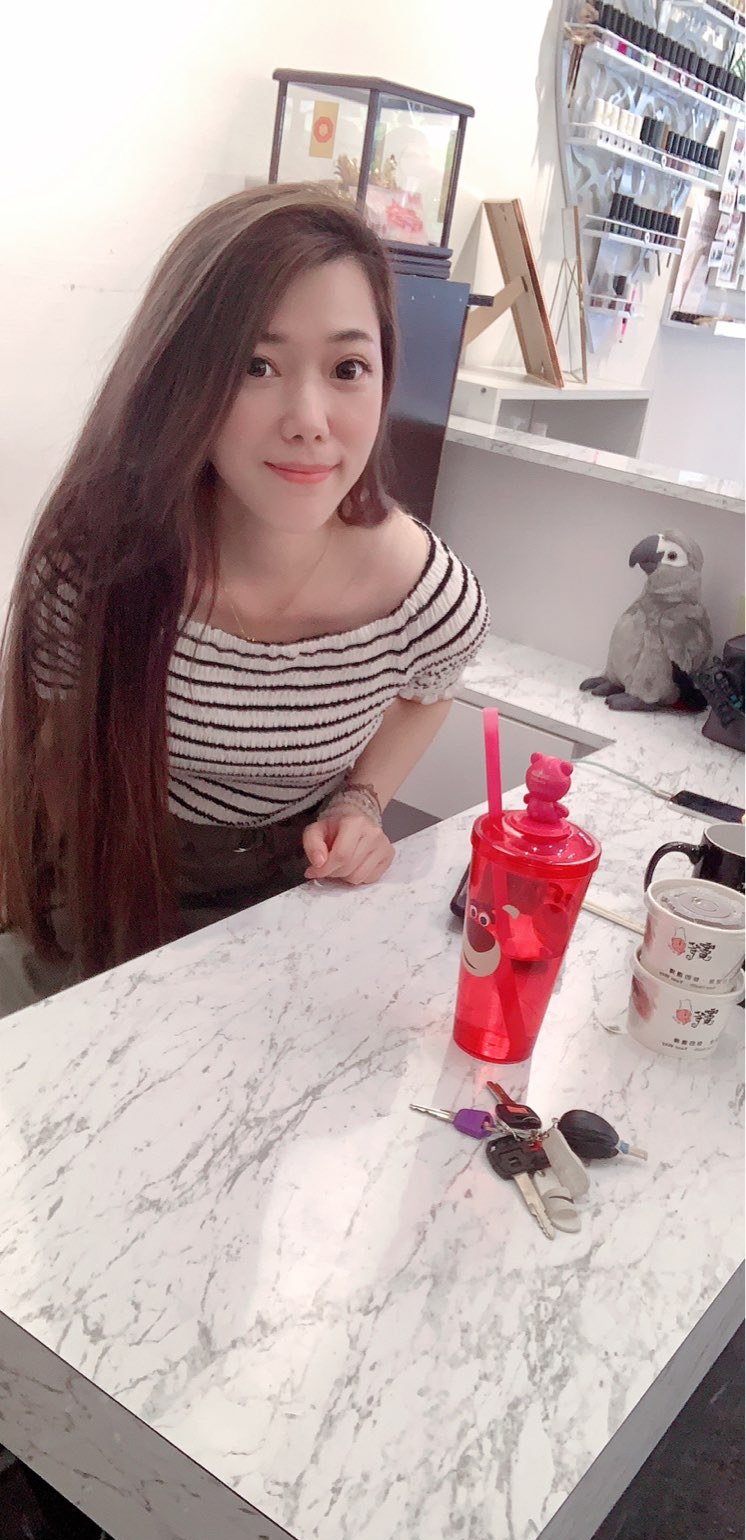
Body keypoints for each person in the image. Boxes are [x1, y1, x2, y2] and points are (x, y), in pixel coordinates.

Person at [0, 183, 489, 1014]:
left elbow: (429, 691)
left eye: (348, 368)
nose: (309, 419)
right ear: (180, 378)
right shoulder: (93, 566)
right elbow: (48, 758)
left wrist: (362, 801)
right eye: (256, 366)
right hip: (113, 875)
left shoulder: (421, 592)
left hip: (295, 891)